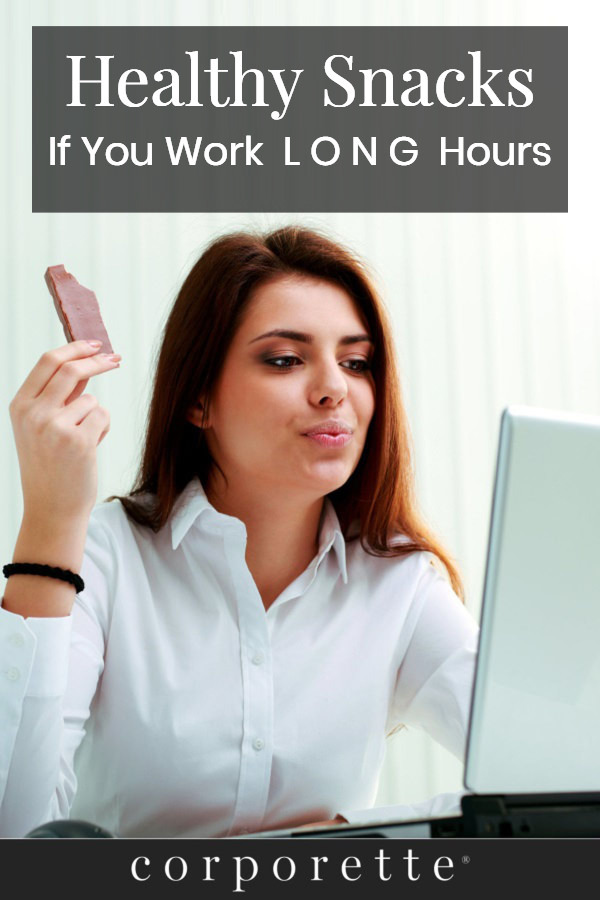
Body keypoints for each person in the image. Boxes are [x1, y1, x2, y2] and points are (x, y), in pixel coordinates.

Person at [0, 226, 478, 838]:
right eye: (284, 359)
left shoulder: (399, 581)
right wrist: (50, 520)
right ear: (199, 398)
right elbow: (18, 829)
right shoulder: (106, 555)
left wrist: (352, 836)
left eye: (357, 363)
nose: (335, 387)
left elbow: (550, 779)